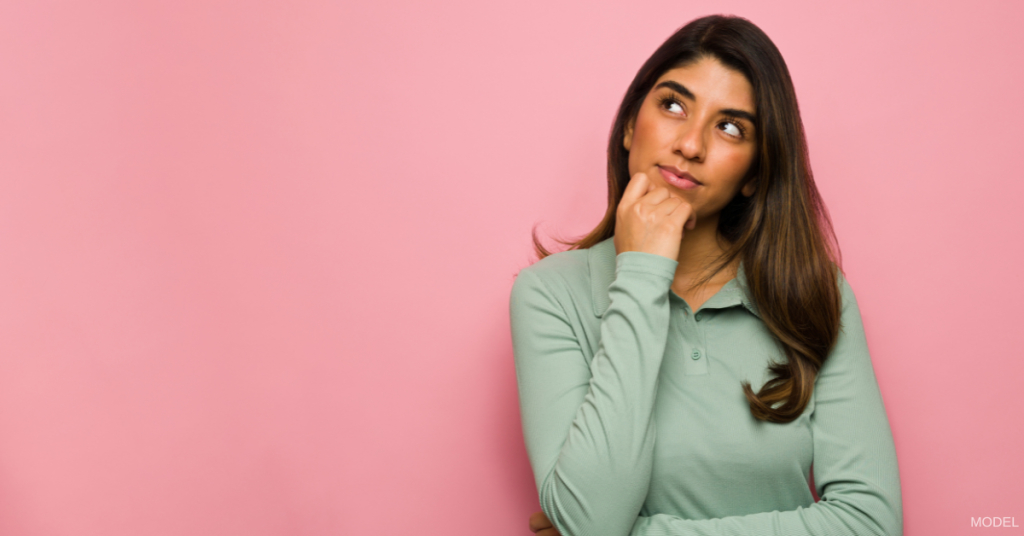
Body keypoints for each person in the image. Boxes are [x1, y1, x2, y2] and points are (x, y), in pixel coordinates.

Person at [508, 14, 903, 536]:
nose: (691, 145)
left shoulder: (814, 295)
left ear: (753, 175)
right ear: (630, 126)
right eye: (673, 105)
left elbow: (870, 523)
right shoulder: (551, 295)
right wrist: (643, 272)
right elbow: (592, 519)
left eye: (729, 127)